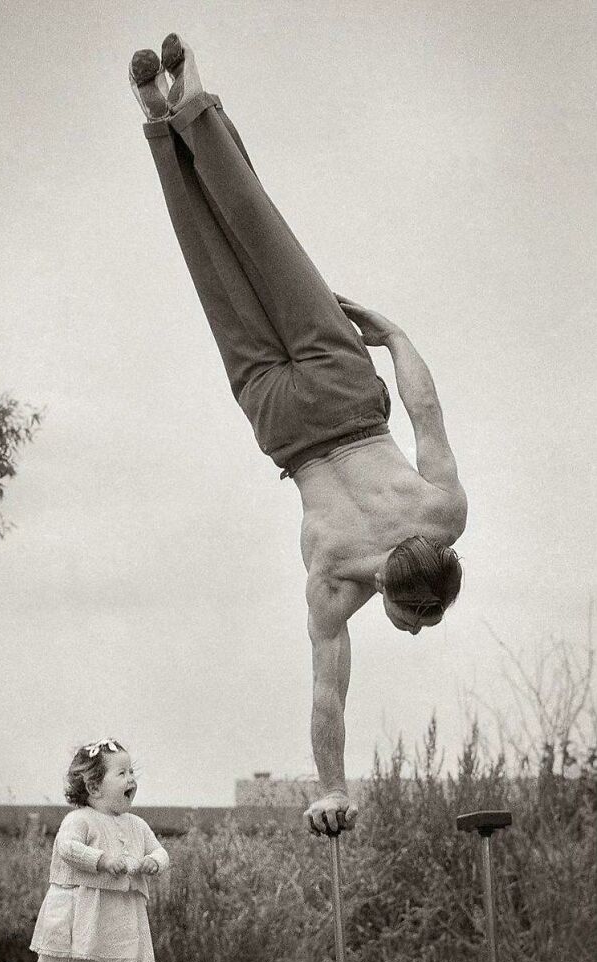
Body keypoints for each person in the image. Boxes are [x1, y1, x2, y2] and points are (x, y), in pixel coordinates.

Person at [129, 37, 468, 838]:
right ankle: (156, 119)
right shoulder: (335, 586)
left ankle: (191, 99)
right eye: (419, 623)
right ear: (392, 592)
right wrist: (332, 787)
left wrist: (394, 332)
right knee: (212, 263)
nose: (415, 633)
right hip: (283, 419)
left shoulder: (446, 516)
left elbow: (425, 410)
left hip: (346, 391)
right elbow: (328, 695)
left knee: (258, 232)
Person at [30, 738, 169, 962]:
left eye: (131, 772)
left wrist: (154, 861)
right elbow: (67, 848)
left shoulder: (136, 824)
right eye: (121, 773)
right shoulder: (79, 819)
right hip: (79, 911)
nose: (131, 779)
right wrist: (101, 860)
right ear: (94, 787)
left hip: (115, 916)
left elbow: (160, 851)